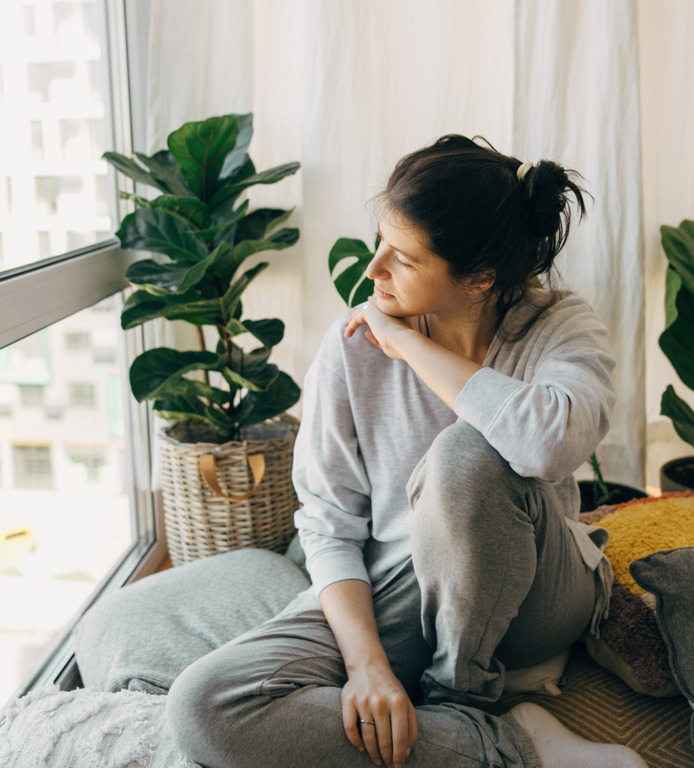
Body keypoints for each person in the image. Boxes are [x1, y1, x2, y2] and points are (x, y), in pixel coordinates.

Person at [167, 135, 648, 768]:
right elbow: (329, 523)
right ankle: (509, 742)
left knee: (465, 456)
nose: (373, 271)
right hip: (401, 592)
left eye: (404, 258)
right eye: (380, 242)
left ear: (478, 279)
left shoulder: (557, 327)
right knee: (206, 706)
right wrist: (366, 665)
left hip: (536, 596)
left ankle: (460, 697)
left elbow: (546, 444)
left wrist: (408, 346)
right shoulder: (349, 351)